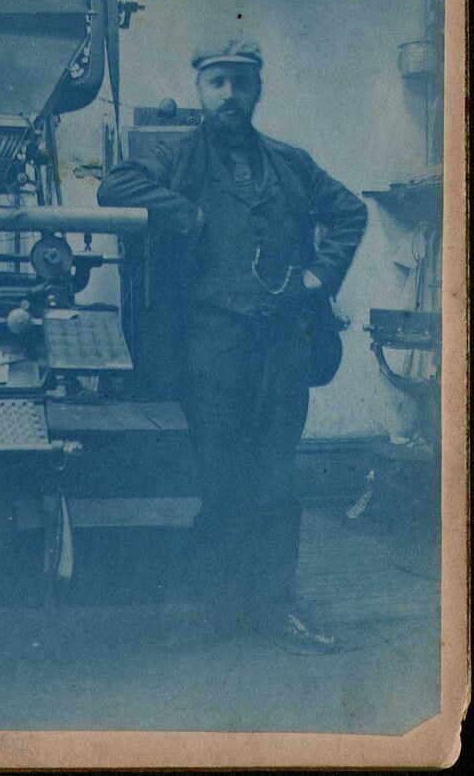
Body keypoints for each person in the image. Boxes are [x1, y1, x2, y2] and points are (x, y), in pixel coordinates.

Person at [97, 39, 368, 653]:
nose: (228, 95)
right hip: (212, 346)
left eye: (239, 83)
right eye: (216, 82)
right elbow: (115, 186)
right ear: (200, 89)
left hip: (284, 346)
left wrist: (319, 277)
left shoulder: (291, 162)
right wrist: (184, 212)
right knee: (220, 479)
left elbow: (350, 211)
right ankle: (222, 615)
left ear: (256, 91)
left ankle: (275, 610)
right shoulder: (180, 156)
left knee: (276, 479)